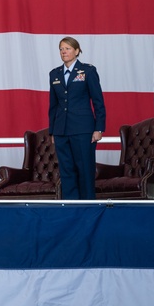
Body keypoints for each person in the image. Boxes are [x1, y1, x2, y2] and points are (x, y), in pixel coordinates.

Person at [48, 36, 106, 199]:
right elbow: (53, 105)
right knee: (66, 171)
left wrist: (99, 128)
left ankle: (88, 206)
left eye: (67, 48)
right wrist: (52, 131)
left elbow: (98, 101)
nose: (64, 51)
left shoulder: (88, 71)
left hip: (83, 129)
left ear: (77, 51)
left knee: (85, 169)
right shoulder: (55, 74)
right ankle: (71, 207)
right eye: (61, 49)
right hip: (61, 130)